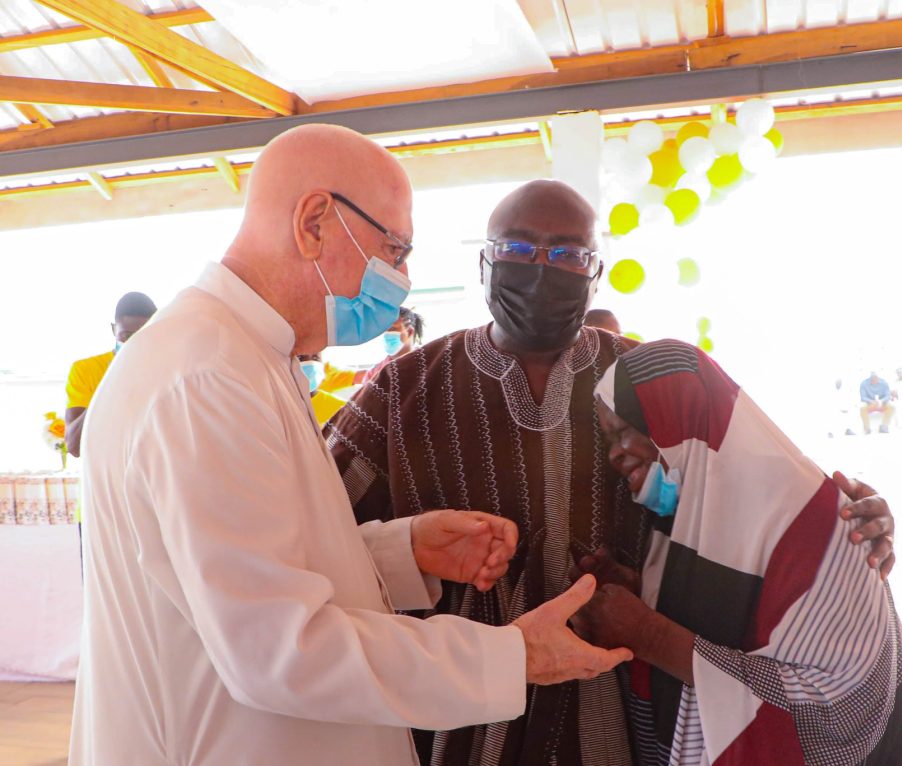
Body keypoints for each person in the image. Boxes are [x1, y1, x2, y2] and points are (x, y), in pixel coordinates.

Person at [69, 125, 632, 766]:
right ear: (314, 222)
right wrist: (514, 655)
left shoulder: (246, 357)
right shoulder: (207, 378)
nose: (402, 277)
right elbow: (278, 646)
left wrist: (405, 551)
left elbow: (246, 564)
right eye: (394, 248)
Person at [328, 179, 898, 766]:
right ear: (484, 262)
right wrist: (419, 550)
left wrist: (846, 534)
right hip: (463, 715)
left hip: (634, 711)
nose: (543, 269)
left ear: (596, 273)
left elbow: (758, 501)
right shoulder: (404, 391)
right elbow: (311, 533)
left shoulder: (647, 382)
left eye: (569, 254)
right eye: (519, 251)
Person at [580, 339, 902, 766]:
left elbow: (844, 709)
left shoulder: (811, 512)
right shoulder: (687, 511)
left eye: (626, 429)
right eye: (609, 439)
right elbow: (738, 614)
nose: (614, 453)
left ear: (679, 415)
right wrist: (639, 591)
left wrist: (646, 634)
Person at [64, 291, 157, 458]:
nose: (133, 343)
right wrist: (113, 380)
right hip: (105, 477)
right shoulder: (85, 369)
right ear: (114, 330)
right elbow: (74, 446)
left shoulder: (168, 371)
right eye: (127, 335)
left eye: (143, 334)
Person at [366, 306, 425, 380]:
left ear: (409, 332)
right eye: (385, 329)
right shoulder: (374, 374)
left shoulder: (427, 363)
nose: (387, 333)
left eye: (393, 329)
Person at [298, 352, 347, 426]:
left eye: (316, 358)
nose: (311, 363)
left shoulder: (341, 409)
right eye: (300, 358)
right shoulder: (279, 404)